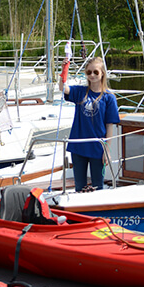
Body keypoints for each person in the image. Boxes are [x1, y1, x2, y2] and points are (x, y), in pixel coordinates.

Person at [58, 57, 120, 192]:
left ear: (102, 73)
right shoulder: (80, 92)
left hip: (97, 147)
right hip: (79, 145)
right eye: (89, 72)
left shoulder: (109, 97)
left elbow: (110, 125)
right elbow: (63, 88)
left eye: (96, 72)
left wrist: (107, 150)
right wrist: (64, 70)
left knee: (97, 186)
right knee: (79, 186)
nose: (92, 75)